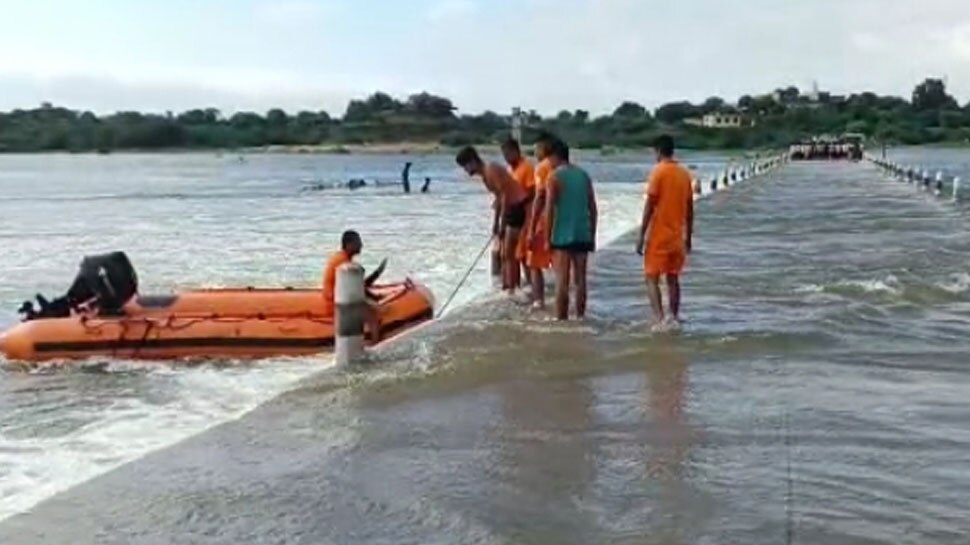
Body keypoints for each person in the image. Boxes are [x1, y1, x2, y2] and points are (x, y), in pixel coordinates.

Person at [636, 135, 694, 330]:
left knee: (651, 277)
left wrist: (641, 235)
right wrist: (689, 237)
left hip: (659, 236)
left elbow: (649, 205)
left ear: (658, 151)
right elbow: (690, 208)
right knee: (673, 278)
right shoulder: (684, 174)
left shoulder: (658, 172)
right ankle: (674, 317)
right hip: (677, 237)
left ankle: (659, 318)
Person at [456, 146, 529, 295]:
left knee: (510, 253)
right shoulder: (485, 176)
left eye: (465, 166)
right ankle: (510, 286)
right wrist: (495, 223)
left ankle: (513, 288)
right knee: (506, 254)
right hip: (509, 210)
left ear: (473, 162)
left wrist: (502, 223)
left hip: (517, 208)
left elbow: (505, 196)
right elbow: (498, 199)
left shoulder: (491, 169)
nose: (465, 170)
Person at [544, 139, 597, 321]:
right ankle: (581, 317)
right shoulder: (584, 175)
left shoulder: (553, 177)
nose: (547, 163)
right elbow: (593, 207)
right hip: (583, 233)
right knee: (580, 280)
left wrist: (546, 238)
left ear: (555, 156)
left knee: (562, 281)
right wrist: (593, 234)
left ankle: (561, 320)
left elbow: (549, 210)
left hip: (562, 235)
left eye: (548, 158)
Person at [321, 230, 381, 342]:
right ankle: (375, 345)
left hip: (340, 298)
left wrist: (374, 296)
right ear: (349, 245)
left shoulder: (342, 258)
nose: (361, 245)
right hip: (337, 303)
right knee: (373, 316)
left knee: (373, 307)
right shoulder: (343, 262)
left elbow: (356, 286)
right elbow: (358, 286)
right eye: (358, 242)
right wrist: (376, 274)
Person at [526, 131, 558, 309]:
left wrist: (531, 228)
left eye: (536, 148)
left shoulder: (542, 168)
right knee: (560, 264)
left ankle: (539, 300)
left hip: (545, 220)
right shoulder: (562, 166)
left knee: (534, 263)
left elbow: (539, 197)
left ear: (544, 147)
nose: (534, 152)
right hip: (561, 220)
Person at [501, 137, 535, 293]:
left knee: (522, 255)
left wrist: (529, 223)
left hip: (523, 216)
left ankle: (530, 284)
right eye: (503, 155)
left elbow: (531, 195)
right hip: (510, 216)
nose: (506, 158)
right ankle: (512, 287)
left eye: (508, 154)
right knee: (508, 254)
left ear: (516, 152)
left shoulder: (526, 168)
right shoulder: (509, 170)